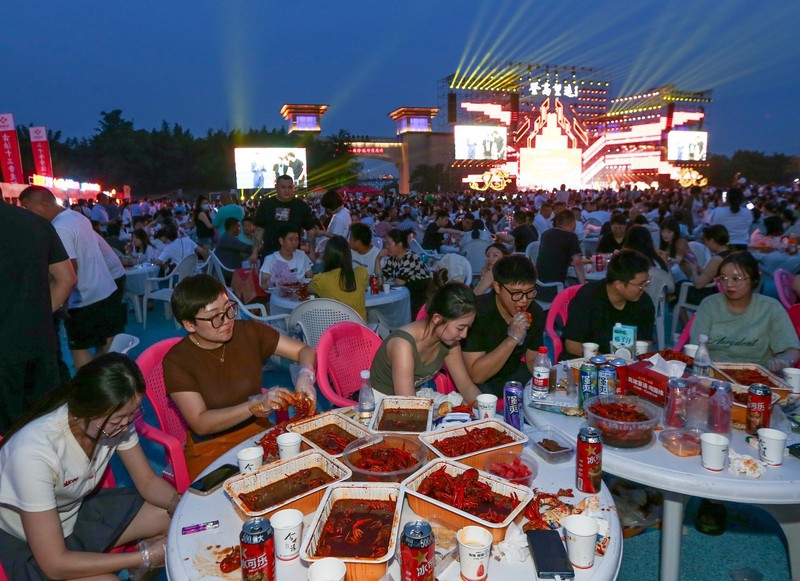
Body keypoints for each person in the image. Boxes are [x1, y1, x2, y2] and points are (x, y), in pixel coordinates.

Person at [0, 353, 178, 579]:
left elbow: (147, 481)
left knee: (173, 519)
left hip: (73, 512)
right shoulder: (33, 455)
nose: (125, 426)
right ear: (83, 410)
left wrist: (180, 503)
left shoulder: (114, 418)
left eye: (132, 415)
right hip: (28, 542)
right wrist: (144, 557)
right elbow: (54, 564)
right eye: (117, 420)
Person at [164, 274, 317, 478]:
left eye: (229, 309)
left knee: (310, 468)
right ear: (190, 325)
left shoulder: (248, 332)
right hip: (212, 447)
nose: (227, 321)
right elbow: (200, 422)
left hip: (257, 432)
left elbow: (304, 351)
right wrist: (253, 405)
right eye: (215, 317)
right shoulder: (177, 360)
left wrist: (305, 374)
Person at [20, 186, 124, 370]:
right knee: (108, 344)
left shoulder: (59, 228)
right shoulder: (77, 217)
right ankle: (107, 384)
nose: (27, 215)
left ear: (43, 204)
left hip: (83, 299)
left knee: (79, 349)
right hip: (104, 289)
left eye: (28, 209)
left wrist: (61, 302)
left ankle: (88, 389)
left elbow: (70, 269)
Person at [0, 197, 76, 432]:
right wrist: (39, 314)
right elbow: (67, 278)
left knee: (9, 436)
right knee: (44, 426)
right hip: (40, 343)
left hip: (4, 356)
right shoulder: (36, 223)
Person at [370, 282, 480, 403]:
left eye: (468, 328)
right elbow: (408, 405)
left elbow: (466, 386)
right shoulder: (403, 345)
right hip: (384, 401)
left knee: (463, 404)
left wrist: (486, 406)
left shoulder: (450, 341)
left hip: (415, 394)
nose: (464, 335)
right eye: (460, 328)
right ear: (437, 319)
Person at [692, 252, 799, 370]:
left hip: (756, 376)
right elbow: (695, 347)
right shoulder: (710, 305)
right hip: (713, 371)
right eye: (723, 278)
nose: (728, 284)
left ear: (754, 280)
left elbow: (792, 349)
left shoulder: (771, 308)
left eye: (736, 279)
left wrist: (784, 361)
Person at [462, 255, 546, 397]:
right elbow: (476, 375)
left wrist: (544, 375)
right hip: (481, 380)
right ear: (497, 287)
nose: (524, 300)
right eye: (516, 293)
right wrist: (512, 339)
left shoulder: (534, 312)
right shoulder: (477, 313)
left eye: (530, 292)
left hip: (513, 373)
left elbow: (532, 358)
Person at [563, 250, 656, 358]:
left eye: (646, 282)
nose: (643, 289)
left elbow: (645, 343)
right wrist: (607, 362)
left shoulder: (644, 302)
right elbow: (572, 345)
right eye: (640, 284)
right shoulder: (588, 297)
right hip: (585, 364)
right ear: (619, 284)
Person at [251, 175, 317, 261]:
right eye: (283, 187)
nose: (287, 190)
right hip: (270, 254)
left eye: (289, 187)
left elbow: (311, 230)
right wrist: (255, 252)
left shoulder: (301, 206)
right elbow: (259, 230)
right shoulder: (266, 205)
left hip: (294, 256)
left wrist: (312, 252)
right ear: (276, 187)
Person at [375, 228, 432, 316]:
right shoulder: (393, 259)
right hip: (406, 297)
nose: (386, 246)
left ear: (399, 245)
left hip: (419, 301)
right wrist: (377, 259)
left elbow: (399, 282)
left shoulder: (410, 257)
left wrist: (385, 283)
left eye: (388, 243)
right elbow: (379, 280)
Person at [309, 235, 369, 319]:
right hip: (359, 330)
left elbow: (309, 289)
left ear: (327, 256)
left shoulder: (321, 280)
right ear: (348, 254)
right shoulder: (361, 273)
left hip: (332, 330)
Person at [536, 209, 586, 300]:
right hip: (555, 289)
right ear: (573, 223)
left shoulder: (546, 234)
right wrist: (584, 285)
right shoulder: (571, 237)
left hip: (538, 287)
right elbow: (577, 263)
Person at [259, 224, 314, 288]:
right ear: (281, 241)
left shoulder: (301, 254)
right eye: (291, 240)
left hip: (301, 292)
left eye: (297, 239)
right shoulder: (271, 259)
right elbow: (264, 285)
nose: (294, 243)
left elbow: (310, 276)